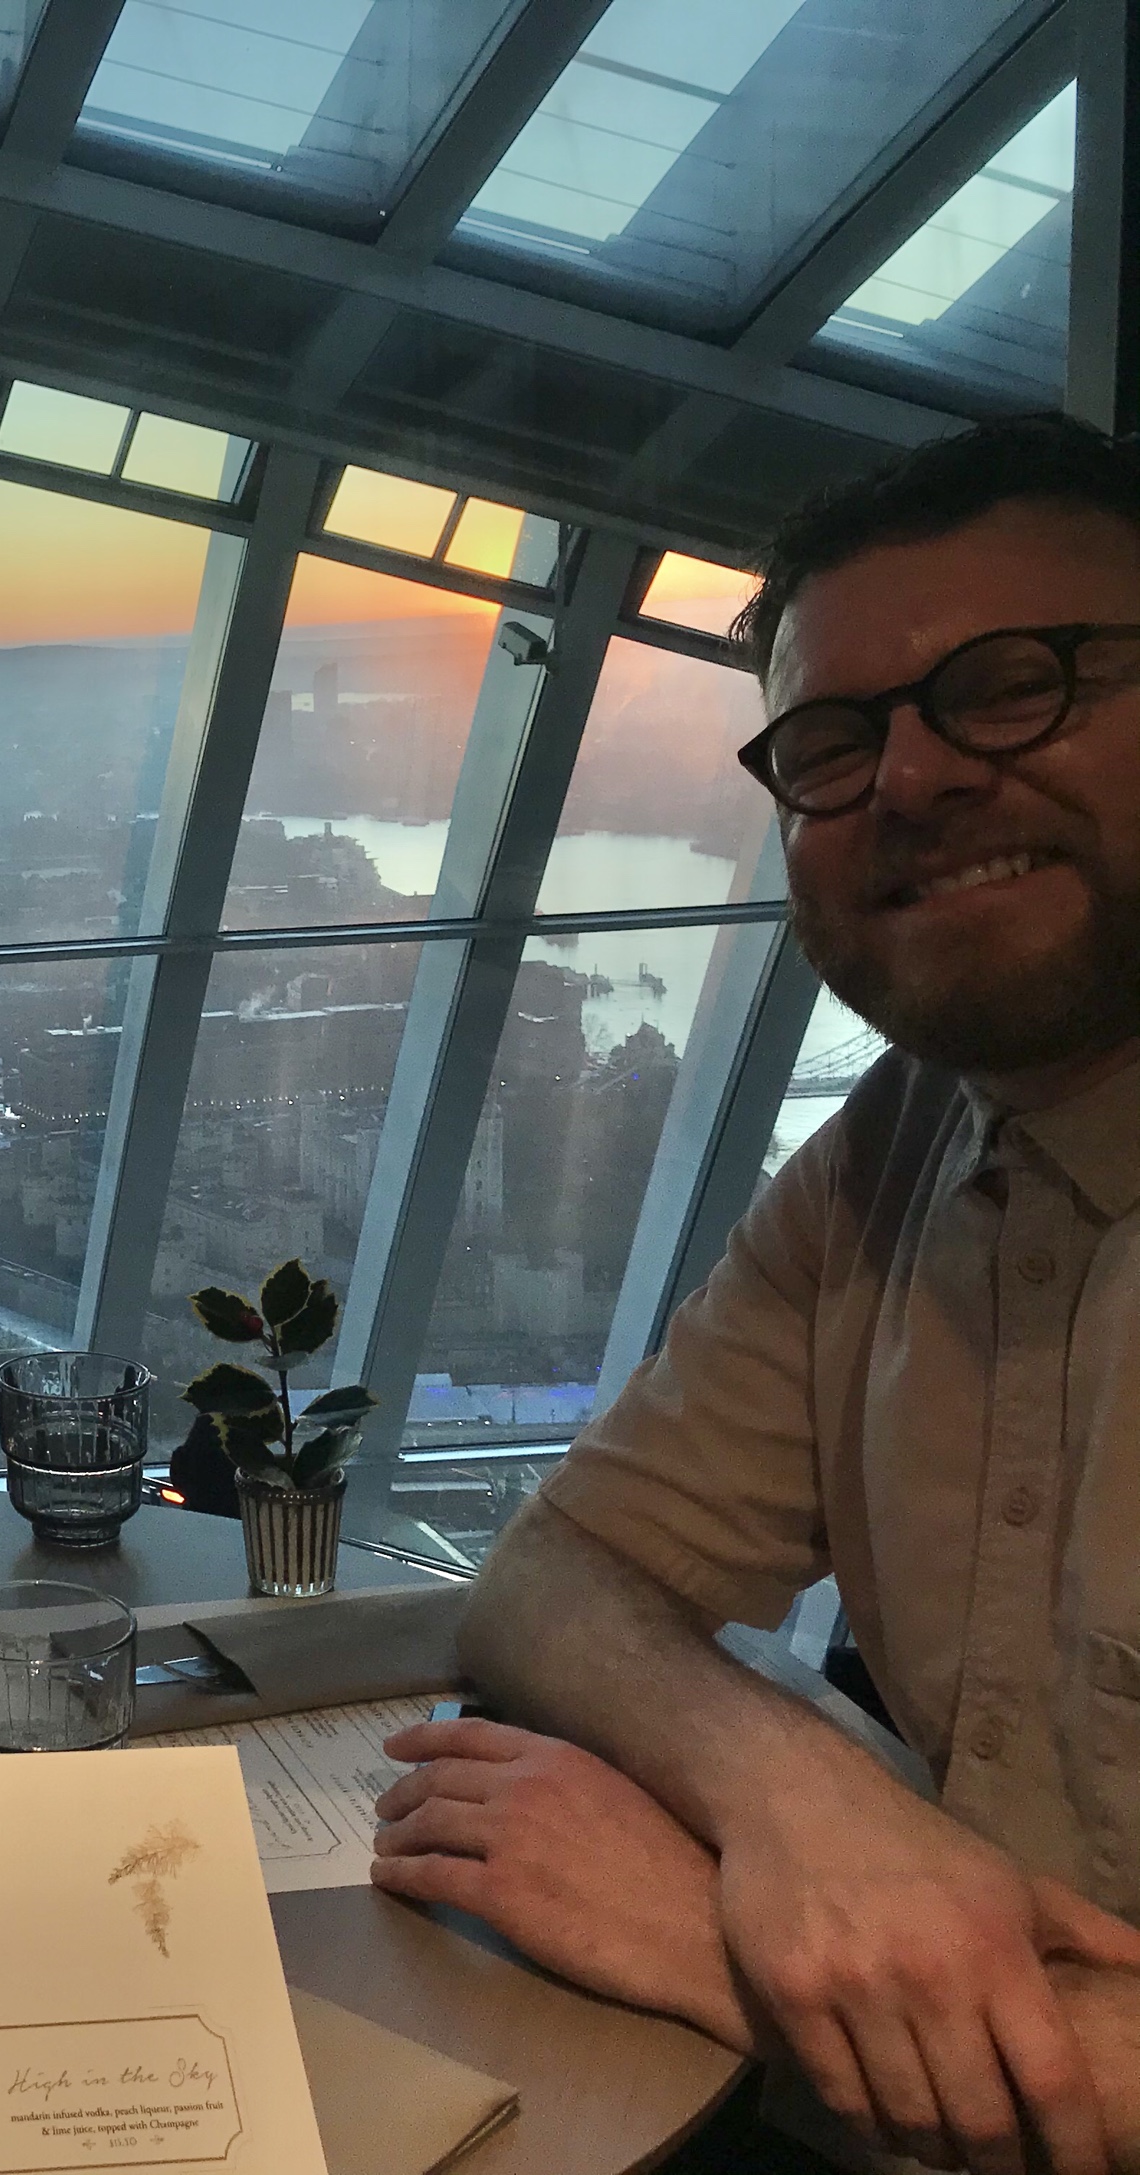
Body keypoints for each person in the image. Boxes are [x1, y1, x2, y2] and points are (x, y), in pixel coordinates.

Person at [366, 415, 1140, 2175]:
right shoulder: (899, 1147)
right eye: (834, 742)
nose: (913, 779)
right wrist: (806, 1807)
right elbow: (557, 1577)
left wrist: (735, 1953)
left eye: (1015, 685)